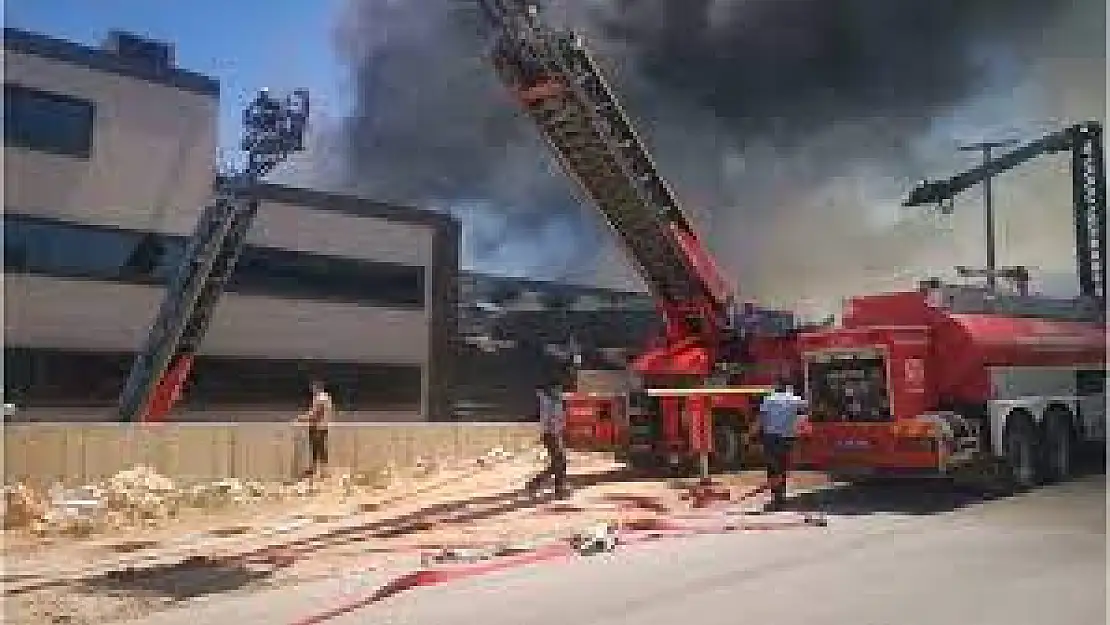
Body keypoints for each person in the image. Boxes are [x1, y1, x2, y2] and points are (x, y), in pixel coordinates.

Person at [758, 378, 808, 511]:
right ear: (788, 387)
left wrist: (750, 435)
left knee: (773, 468)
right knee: (783, 467)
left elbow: (761, 419)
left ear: (776, 387)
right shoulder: (795, 399)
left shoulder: (768, 399)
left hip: (771, 438)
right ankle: (781, 497)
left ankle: (776, 498)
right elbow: (804, 415)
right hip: (788, 438)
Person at [526, 382, 568, 497]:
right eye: (557, 388)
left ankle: (539, 483)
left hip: (554, 434)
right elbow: (546, 419)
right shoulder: (548, 402)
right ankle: (558, 488)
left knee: (559, 462)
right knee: (559, 462)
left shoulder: (555, 401)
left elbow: (558, 419)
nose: (560, 390)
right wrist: (547, 432)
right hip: (551, 435)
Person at [296, 378, 334, 480]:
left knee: (318, 449)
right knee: (318, 449)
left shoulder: (319, 398)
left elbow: (317, 414)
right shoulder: (326, 397)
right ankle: (318, 470)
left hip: (318, 426)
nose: (312, 389)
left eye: (313, 387)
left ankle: (322, 472)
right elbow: (318, 412)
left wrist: (303, 419)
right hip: (322, 426)